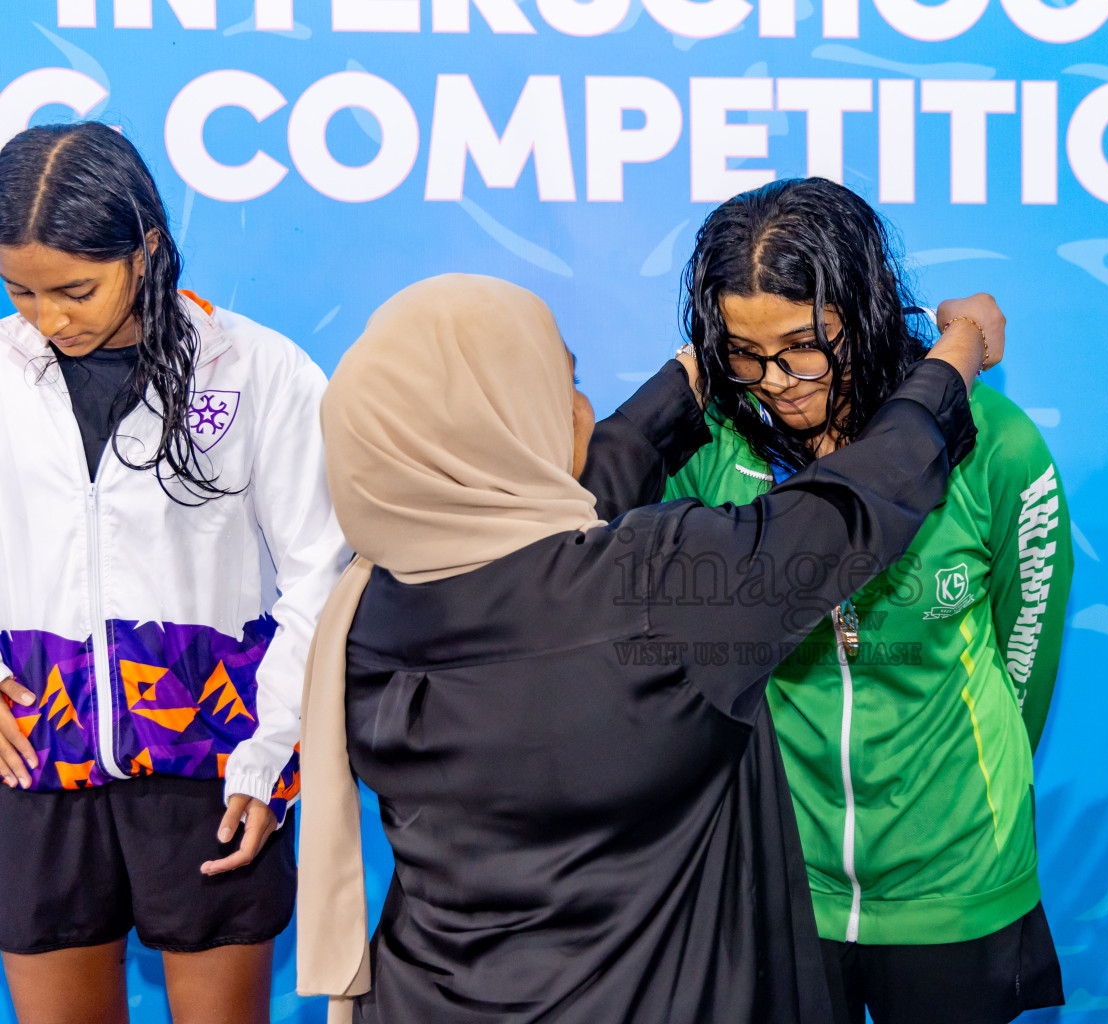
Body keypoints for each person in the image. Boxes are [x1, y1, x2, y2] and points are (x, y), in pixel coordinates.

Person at [293, 272, 996, 1024]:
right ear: (499, 427)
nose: (586, 411)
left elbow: (558, 512)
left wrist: (696, 375)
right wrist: (961, 348)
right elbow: (857, 502)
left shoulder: (366, 611)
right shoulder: (660, 591)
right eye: (563, 387)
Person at [656, 177, 1074, 1024]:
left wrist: (963, 789)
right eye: (744, 353)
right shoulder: (711, 454)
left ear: (866, 310)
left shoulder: (995, 447)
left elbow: (1024, 649)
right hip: (779, 881)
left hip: (956, 883)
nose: (776, 381)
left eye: (804, 347)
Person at [0, 122, 348, 1023]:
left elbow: (322, 572)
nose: (48, 319)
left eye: (74, 289)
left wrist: (269, 758)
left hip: (214, 767)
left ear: (147, 245)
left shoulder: (259, 371)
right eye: (19, 291)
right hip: (34, 763)